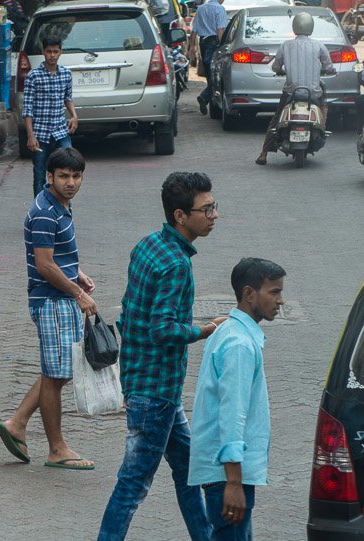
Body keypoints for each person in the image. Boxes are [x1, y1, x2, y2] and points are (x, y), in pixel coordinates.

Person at [98, 172, 226, 541]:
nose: (214, 214)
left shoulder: (149, 244)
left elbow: (128, 313)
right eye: (206, 209)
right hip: (155, 393)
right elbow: (163, 329)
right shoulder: (176, 265)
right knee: (132, 485)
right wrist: (205, 328)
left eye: (214, 206)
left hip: (153, 387)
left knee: (190, 472)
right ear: (180, 216)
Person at [0, 147, 97, 470]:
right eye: (64, 176)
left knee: (59, 371)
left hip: (60, 296)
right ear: (49, 176)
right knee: (56, 375)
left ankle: (18, 423)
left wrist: (76, 272)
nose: (71, 182)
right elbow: (43, 265)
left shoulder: (60, 205)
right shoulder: (44, 212)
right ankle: (56, 448)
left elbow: (54, 255)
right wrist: (77, 292)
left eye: (76, 176)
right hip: (52, 301)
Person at [189, 258, 286, 541]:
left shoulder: (230, 331)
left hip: (226, 473)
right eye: (274, 292)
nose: (280, 300)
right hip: (227, 476)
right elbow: (232, 414)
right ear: (249, 294)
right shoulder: (239, 345)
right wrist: (233, 482)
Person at [255, 12, 334, 165]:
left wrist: (280, 70)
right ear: (311, 26)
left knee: (276, 119)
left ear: (295, 26)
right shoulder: (319, 45)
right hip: (313, 93)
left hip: (291, 92)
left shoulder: (286, 45)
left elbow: (275, 66)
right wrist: (329, 70)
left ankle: (263, 154)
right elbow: (329, 66)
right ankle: (321, 128)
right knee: (324, 105)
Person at [22, 37, 77, 198]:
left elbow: (68, 98)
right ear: (43, 52)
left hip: (60, 131)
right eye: (49, 52)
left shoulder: (66, 74)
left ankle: (64, 205)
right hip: (40, 134)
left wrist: (74, 116)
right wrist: (31, 136)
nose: (52, 55)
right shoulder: (33, 76)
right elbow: (27, 109)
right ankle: (39, 209)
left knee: (68, 167)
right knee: (40, 174)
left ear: (60, 52)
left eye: (55, 51)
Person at [193, 0, 226, 116]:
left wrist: (191, 48)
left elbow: (194, 30)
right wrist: (222, 46)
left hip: (203, 42)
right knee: (216, 75)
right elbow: (220, 29)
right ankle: (205, 97)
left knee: (209, 75)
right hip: (213, 43)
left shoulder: (201, 8)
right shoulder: (219, 9)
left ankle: (210, 103)